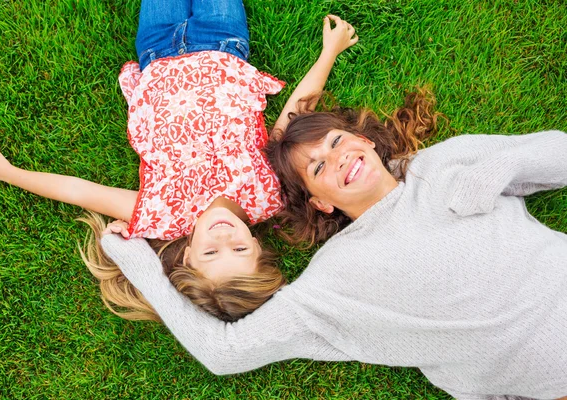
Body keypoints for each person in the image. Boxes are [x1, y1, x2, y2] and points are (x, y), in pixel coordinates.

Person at [98, 90, 567, 399]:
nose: (338, 158)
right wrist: (133, 258)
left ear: (363, 141)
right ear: (320, 203)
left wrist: (500, 169)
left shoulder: (443, 164)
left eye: (338, 142)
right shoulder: (336, 277)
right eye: (318, 167)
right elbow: (224, 353)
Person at [0, 0, 358, 322]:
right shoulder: (267, 194)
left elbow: (79, 191)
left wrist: (9, 173)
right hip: (221, 44)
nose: (224, 239)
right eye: (239, 250)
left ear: (187, 256)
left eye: (210, 253)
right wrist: (329, 53)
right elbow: (292, 116)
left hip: (155, 51)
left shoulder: (163, 215)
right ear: (257, 246)